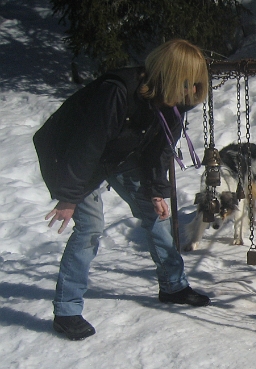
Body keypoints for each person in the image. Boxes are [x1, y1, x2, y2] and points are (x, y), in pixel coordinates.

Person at [34, 39, 211, 340]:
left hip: (118, 154)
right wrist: (69, 196)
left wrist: (156, 190)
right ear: (170, 76)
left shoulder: (174, 101)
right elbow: (86, 145)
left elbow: (160, 148)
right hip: (71, 156)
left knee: (157, 214)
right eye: (186, 83)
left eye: (195, 84)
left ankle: (173, 286)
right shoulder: (117, 91)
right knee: (90, 227)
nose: (191, 90)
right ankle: (66, 311)